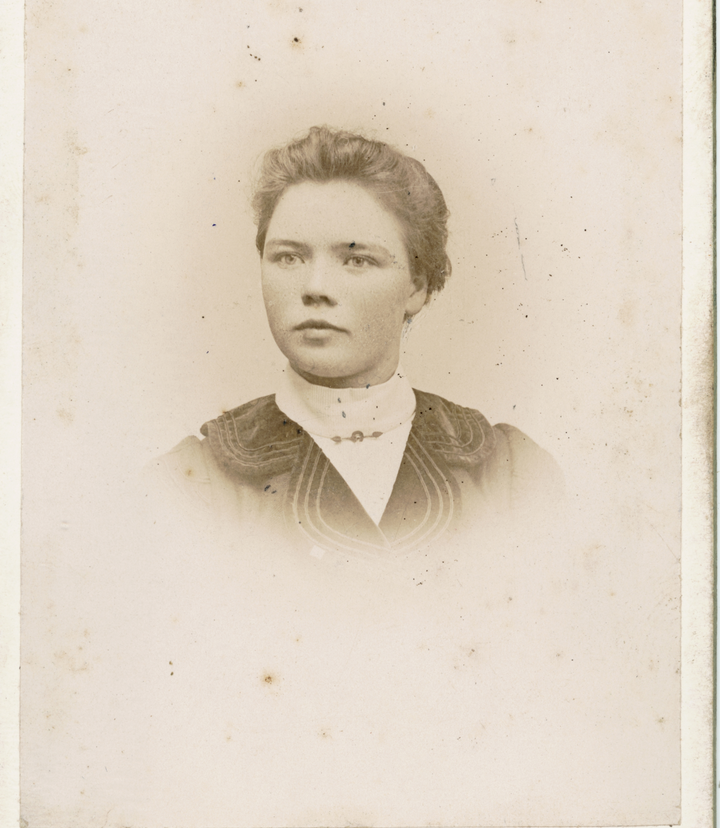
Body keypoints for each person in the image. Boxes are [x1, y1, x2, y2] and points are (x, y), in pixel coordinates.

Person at [150, 125, 562, 559]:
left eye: (357, 260)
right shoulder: (190, 483)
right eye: (289, 257)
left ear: (417, 286)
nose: (315, 287)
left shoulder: (512, 475)